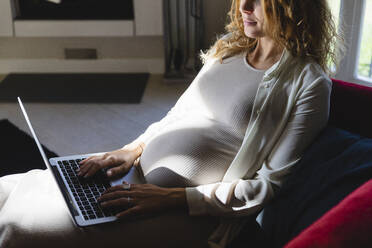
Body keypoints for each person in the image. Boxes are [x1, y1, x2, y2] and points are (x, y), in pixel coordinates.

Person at [0, 0, 343, 247]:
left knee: (18, 228)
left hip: (191, 215)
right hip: (134, 178)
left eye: (259, 0)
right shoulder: (228, 49)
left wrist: (170, 198)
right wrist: (129, 150)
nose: (244, 6)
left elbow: (266, 187)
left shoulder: (309, 83)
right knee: (7, 190)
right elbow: (177, 116)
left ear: (291, 6)